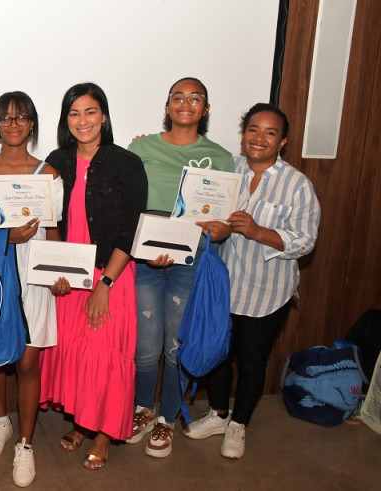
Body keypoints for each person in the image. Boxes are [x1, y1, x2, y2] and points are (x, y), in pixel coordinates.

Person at [183, 103, 320, 458]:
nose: (259, 138)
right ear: (243, 134)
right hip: (224, 285)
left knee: (253, 361)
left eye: (270, 133)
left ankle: (239, 424)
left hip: (267, 290)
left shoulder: (297, 185)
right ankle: (217, 413)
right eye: (253, 130)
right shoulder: (228, 169)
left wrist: (259, 232)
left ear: (283, 141)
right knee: (217, 354)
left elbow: (305, 241)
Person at [39, 82, 147, 470]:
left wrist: (105, 284)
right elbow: (47, 215)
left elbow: (130, 231)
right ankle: (84, 424)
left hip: (110, 275)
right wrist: (54, 266)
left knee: (106, 356)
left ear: (103, 115)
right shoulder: (58, 160)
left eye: (90, 112)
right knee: (77, 354)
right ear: (65, 120)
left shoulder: (126, 163)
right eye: (74, 113)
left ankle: (104, 432)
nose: (82, 121)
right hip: (70, 277)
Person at [125, 77, 234, 458]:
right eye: (178, 97)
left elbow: (221, 222)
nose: (185, 103)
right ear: (167, 105)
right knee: (144, 348)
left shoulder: (220, 157)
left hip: (192, 262)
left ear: (205, 109)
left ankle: (166, 418)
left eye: (195, 98)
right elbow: (127, 202)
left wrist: (220, 229)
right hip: (146, 259)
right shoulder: (141, 147)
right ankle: (142, 409)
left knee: (175, 348)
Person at [0, 92, 63, 487]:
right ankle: (1, 420)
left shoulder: (49, 174)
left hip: (35, 274)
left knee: (26, 362)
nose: (13, 124)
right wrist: (6, 235)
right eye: (5, 119)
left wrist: (60, 271)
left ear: (32, 124)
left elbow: (53, 230)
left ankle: (25, 444)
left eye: (21, 117)